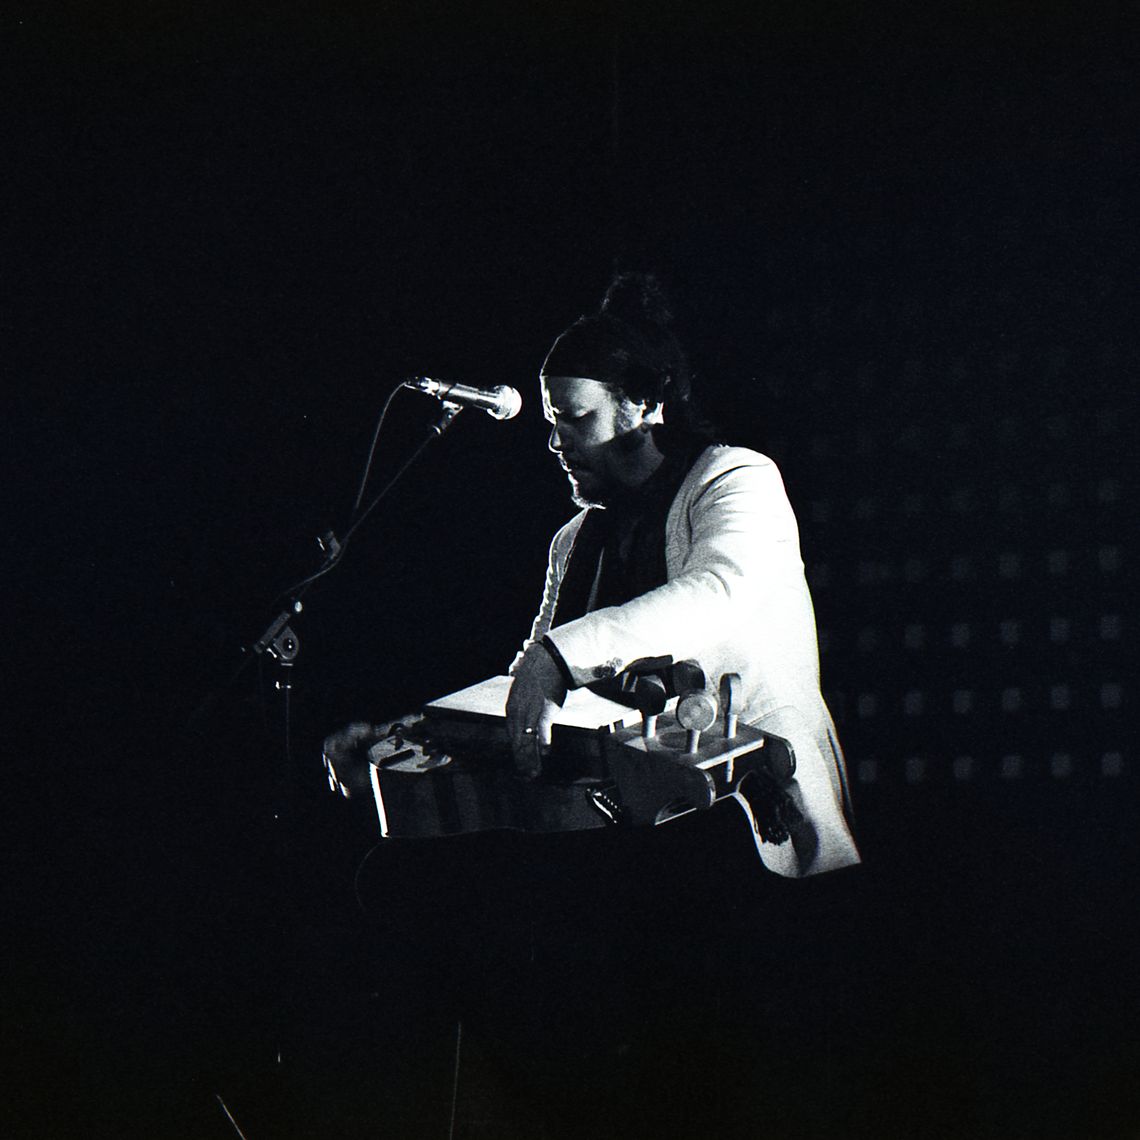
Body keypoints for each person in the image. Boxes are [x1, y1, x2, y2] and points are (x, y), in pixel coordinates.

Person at [505, 273, 859, 877]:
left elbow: (715, 592)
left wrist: (557, 657)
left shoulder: (734, 478)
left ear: (638, 406)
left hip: (758, 817)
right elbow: (533, 687)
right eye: (551, 420)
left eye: (576, 418)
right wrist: (404, 738)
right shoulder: (576, 540)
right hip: (645, 836)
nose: (557, 442)